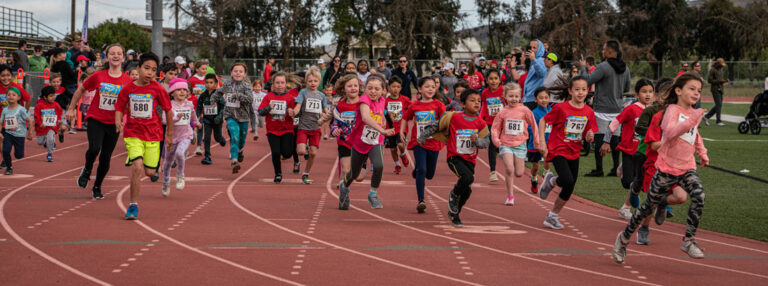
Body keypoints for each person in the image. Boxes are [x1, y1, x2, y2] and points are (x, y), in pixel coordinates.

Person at [612, 73, 710, 263]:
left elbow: (695, 135)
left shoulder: (693, 113)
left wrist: (702, 153)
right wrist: (693, 119)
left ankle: (688, 240)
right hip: (665, 169)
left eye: (699, 90)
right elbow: (671, 132)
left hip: (687, 167)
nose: (696, 93)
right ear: (678, 90)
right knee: (646, 208)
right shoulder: (671, 111)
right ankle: (623, 239)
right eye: (692, 88)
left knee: (699, 195)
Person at [67, 43, 132, 200]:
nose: (115, 56)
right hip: (96, 118)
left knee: (106, 157)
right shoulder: (98, 76)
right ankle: (87, 169)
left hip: (114, 123)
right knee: (95, 148)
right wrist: (71, 108)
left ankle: (97, 186)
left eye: (118, 53)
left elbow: (130, 104)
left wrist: (129, 120)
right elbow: (80, 90)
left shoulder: (128, 81)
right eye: (112, 53)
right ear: (107, 57)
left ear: (123, 58)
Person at [419, 89, 490, 226]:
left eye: (479, 101)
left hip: (470, 159)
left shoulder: (481, 123)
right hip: (454, 157)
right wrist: (423, 137)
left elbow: (486, 142)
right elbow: (436, 125)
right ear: (463, 104)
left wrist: (477, 141)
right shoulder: (454, 117)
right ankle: (454, 195)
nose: (476, 103)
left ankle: (454, 212)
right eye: (472, 100)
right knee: (468, 178)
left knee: (467, 190)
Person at [115, 52, 173, 220]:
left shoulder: (157, 89)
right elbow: (119, 106)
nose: (150, 73)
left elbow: (168, 110)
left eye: (153, 70)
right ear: (138, 68)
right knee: (137, 167)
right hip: (133, 133)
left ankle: (143, 164)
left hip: (153, 135)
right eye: (147, 68)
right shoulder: (128, 88)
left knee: (149, 172)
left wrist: (169, 135)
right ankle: (133, 205)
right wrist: (118, 121)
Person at [537, 76, 598, 229]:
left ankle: (552, 215)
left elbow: (588, 134)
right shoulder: (561, 108)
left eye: (584, 89)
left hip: (574, 150)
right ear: (570, 91)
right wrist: (542, 142)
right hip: (558, 148)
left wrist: (590, 137)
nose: (580, 92)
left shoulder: (589, 112)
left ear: (588, 91)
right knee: (568, 180)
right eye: (577, 89)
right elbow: (543, 121)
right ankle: (551, 182)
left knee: (569, 186)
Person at [337, 74, 394, 210]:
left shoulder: (382, 100)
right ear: (365, 89)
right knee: (354, 174)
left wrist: (386, 124)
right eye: (370, 88)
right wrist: (383, 130)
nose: (373, 91)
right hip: (360, 142)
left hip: (376, 141)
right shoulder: (364, 100)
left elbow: (381, 114)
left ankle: (373, 193)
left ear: (383, 91)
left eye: (376, 89)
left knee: (379, 165)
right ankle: (344, 187)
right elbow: (366, 118)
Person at [579, 40, 632, 178]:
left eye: (603, 49)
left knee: (599, 138)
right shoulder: (625, 68)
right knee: (615, 139)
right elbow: (626, 88)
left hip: (602, 108)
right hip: (618, 108)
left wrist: (583, 68)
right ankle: (615, 168)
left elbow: (587, 81)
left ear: (609, 52)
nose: (602, 52)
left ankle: (599, 169)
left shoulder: (603, 66)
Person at [491, 82, 541, 206]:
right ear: (505, 97)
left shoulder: (525, 110)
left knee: (519, 173)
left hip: (520, 144)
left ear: (520, 97)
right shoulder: (502, 112)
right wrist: (496, 141)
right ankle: (510, 196)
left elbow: (534, 126)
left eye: (516, 96)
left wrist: (536, 141)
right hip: (506, 144)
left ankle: (517, 166)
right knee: (509, 169)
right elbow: (495, 128)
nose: (513, 99)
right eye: (511, 96)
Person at [402, 76, 446, 213]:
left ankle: (418, 171)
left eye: (433, 86)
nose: (430, 89)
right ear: (419, 89)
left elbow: (445, 120)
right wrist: (402, 132)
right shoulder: (414, 106)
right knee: (422, 169)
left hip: (434, 142)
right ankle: (421, 200)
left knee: (430, 174)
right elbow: (405, 118)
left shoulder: (439, 104)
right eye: (427, 86)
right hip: (419, 142)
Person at [612, 79, 654, 220]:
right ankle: (623, 166)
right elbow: (617, 120)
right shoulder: (631, 109)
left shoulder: (654, 111)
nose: (647, 95)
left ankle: (625, 208)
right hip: (629, 149)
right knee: (627, 182)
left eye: (650, 92)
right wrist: (606, 139)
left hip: (643, 152)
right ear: (637, 94)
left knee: (638, 183)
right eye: (644, 92)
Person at [288, 67, 331, 184]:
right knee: (301, 151)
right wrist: (294, 112)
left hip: (316, 128)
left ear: (319, 81)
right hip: (303, 127)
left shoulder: (322, 96)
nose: (313, 83)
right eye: (310, 81)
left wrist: (324, 118)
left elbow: (327, 112)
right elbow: (298, 106)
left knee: (313, 153)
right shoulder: (303, 92)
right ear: (306, 81)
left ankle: (306, 173)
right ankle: (305, 146)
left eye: (315, 81)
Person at [160, 78, 201, 197]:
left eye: (184, 89)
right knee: (167, 163)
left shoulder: (189, 104)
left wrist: (197, 123)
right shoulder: (169, 105)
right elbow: (164, 120)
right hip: (171, 137)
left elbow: (193, 116)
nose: (182, 92)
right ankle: (166, 182)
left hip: (186, 135)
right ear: (172, 92)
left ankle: (180, 176)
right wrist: (176, 118)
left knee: (180, 153)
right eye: (179, 90)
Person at [210, 63, 253, 173]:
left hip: (243, 117)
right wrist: (213, 100)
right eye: (235, 71)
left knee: (242, 140)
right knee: (234, 136)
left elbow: (250, 99)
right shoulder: (227, 84)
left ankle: (240, 151)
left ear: (244, 74)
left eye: (240, 71)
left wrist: (238, 95)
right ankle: (234, 160)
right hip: (230, 115)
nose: (238, 73)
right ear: (231, 73)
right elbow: (219, 92)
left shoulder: (246, 86)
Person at [323, 74, 362, 183]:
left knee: (358, 177)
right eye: (349, 86)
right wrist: (334, 130)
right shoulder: (340, 105)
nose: (353, 88)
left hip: (360, 143)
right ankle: (344, 195)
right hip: (344, 141)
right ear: (343, 89)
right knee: (345, 170)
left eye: (355, 85)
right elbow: (335, 122)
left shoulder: (364, 104)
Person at [258, 72, 296, 182]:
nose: (280, 85)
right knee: (275, 152)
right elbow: (260, 112)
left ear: (286, 84)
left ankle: (289, 151)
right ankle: (278, 173)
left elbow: (297, 114)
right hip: (272, 130)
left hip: (286, 129)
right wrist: (269, 108)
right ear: (273, 84)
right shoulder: (268, 97)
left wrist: (292, 112)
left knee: (287, 153)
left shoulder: (290, 98)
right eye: (277, 83)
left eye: (282, 83)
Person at [1, 86, 33, 175]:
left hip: (19, 135)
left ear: (18, 97)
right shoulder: (5, 110)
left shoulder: (21, 109)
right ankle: (9, 167)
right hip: (9, 133)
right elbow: (1, 122)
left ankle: (18, 154)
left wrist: (30, 132)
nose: (11, 96)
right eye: (9, 95)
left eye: (14, 95)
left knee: (19, 155)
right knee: (5, 150)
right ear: (6, 97)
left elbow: (30, 120)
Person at [479, 69, 504, 182]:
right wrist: (480, 119)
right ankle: (492, 172)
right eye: (491, 79)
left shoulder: (504, 91)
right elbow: (484, 106)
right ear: (487, 80)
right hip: (490, 122)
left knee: (500, 145)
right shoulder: (484, 93)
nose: (493, 81)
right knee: (492, 145)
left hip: (503, 123)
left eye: (495, 78)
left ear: (499, 79)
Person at [196, 74, 226, 165]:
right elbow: (199, 106)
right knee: (207, 137)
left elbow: (223, 107)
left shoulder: (218, 95)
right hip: (207, 120)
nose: (208, 84)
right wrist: (197, 116)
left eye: (211, 82)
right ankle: (207, 156)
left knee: (217, 138)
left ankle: (221, 139)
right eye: (207, 82)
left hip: (217, 120)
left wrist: (219, 117)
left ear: (215, 84)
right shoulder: (203, 95)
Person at [527, 87, 552, 193]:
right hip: (535, 144)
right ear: (536, 99)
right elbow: (529, 127)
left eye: (546, 97)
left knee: (548, 160)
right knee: (536, 166)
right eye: (541, 98)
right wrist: (537, 133)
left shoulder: (552, 111)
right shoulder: (533, 113)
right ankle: (534, 178)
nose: (544, 100)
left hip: (549, 142)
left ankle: (546, 174)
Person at [384, 76, 411, 174]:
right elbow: (381, 111)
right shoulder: (385, 101)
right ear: (389, 87)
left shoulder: (405, 99)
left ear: (401, 88)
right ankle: (397, 164)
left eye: (398, 87)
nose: (396, 89)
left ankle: (403, 154)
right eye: (393, 86)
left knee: (400, 144)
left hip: (401, 128)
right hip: (390, 128)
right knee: (392, 149)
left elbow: (413, 107)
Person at [34, 86, 68, 162]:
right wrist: (40, 123)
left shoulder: (56, 105)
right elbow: (36, 116)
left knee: (50, 139)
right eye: (51, 96)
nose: (53, 97)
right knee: (39, 142)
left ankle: (49, 154)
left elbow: (60, 113)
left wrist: (59, 120)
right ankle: (46, 142)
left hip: (51, 127)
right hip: (42, 128)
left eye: (54, 95)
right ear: (45, 97)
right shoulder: (39, 105)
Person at [704, 58, 728, 126]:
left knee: (719, 105)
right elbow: (709, 80)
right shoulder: (712, 70)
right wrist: (721, 81)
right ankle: (718, 121)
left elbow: (720, 79)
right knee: (719, 105)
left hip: (721, 89)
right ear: (717, 63)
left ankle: (706, 117)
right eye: (721, 64)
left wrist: (724, 80)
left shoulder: (720, 69)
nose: (722, 66)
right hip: (715, 89)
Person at [522, 40, 547, 107]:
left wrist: (534, 60)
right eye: (531, 47)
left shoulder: (541, 61)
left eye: (534, 48)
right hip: (528, 98)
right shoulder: (531, 61)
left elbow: (542, 73)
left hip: (534, 98)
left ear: (540, 49)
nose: (532, 50)